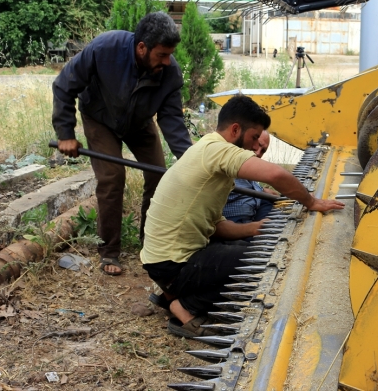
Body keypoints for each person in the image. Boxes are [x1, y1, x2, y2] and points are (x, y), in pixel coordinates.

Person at [141, 94, 344, 337]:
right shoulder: (219, 150)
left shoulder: (205, 149)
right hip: (172, 263)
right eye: (255, 137)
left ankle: (173, 294)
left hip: (164, 259)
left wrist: (256, 229)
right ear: (236, 129)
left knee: (247, 247)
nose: (255, 146)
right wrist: (311, 202)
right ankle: (185, 306)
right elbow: (276, 176)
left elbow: (215, 225)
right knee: (262, 263)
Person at [52, 12, 192, 276]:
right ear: (142, 48)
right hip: (99, 117)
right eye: (161, 55)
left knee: (160, 175)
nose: (167, 61)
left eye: (170, 54)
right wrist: (65, 132)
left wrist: (190, 159)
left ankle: (151, 242)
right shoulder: (104, 49)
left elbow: (172, 119)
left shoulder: (169, 73)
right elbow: (64, 86)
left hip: (139, 122)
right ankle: (109, 251)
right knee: (112, 177)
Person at [222, 130, 278, 224]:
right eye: (258, 144)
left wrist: (262, 190)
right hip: (235, 226)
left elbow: (248, 186)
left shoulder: (248, 167)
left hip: (253, 214)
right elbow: (277, 175)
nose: (258, 153)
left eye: (263, 150)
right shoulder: (228, 163)